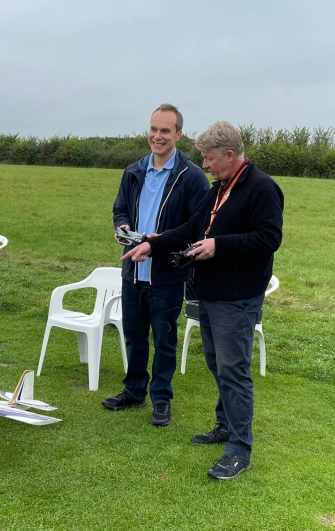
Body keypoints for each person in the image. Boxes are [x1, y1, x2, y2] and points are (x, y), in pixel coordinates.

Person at [121, 121, 283, 479]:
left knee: (234, 371)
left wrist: (218, 246)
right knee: (216, 364)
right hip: (209, 294)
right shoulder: (220, 188)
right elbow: (191, 228)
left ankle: (239, 450)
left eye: (210, 159)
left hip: (238, 299)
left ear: (229, 155)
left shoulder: (262, 188)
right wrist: (151, 243)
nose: (205, 166)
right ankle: (225, 425)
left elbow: (269, 238)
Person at [102, 103, 209, 427]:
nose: (157, 136)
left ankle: (161, 399)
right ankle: (134, 391)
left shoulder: (192, 178)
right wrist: (122, 226)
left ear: (178, 134)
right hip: (133, 271)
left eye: (165, 130)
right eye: (153, 129)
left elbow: (197, 227)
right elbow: (119, 208)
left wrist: (159, 242)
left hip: (167, 274)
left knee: (163, 339)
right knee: (134, 335)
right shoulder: (133, 171)